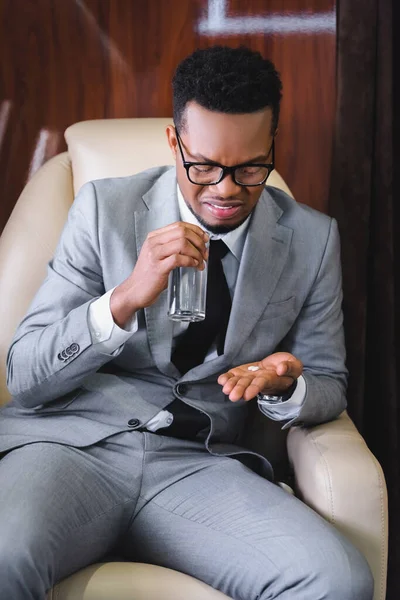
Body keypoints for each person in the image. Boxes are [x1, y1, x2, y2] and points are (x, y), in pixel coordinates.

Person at [0, 45, 373, 600]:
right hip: (71, 450)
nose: (225, 190)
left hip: (198, 464)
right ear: (174, 143)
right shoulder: (102, 208)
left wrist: (286, 385)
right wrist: (124, 298)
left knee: (337, 580)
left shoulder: (313, 240)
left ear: (271, 144)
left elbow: (329, 385)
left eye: (249, 168)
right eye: (204, 166)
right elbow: (26, 375)